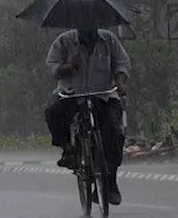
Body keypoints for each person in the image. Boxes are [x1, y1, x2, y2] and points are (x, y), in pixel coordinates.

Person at [44, 26, 130, 205]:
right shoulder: (64, 41)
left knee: (115, 134)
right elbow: (52, 67)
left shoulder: (109, 40)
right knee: (53, 113)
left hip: (104, 95)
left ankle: (110, 183)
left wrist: (120, 82)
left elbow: (121, 62)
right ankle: (68, 150)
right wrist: (68, 66)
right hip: (72, 94)